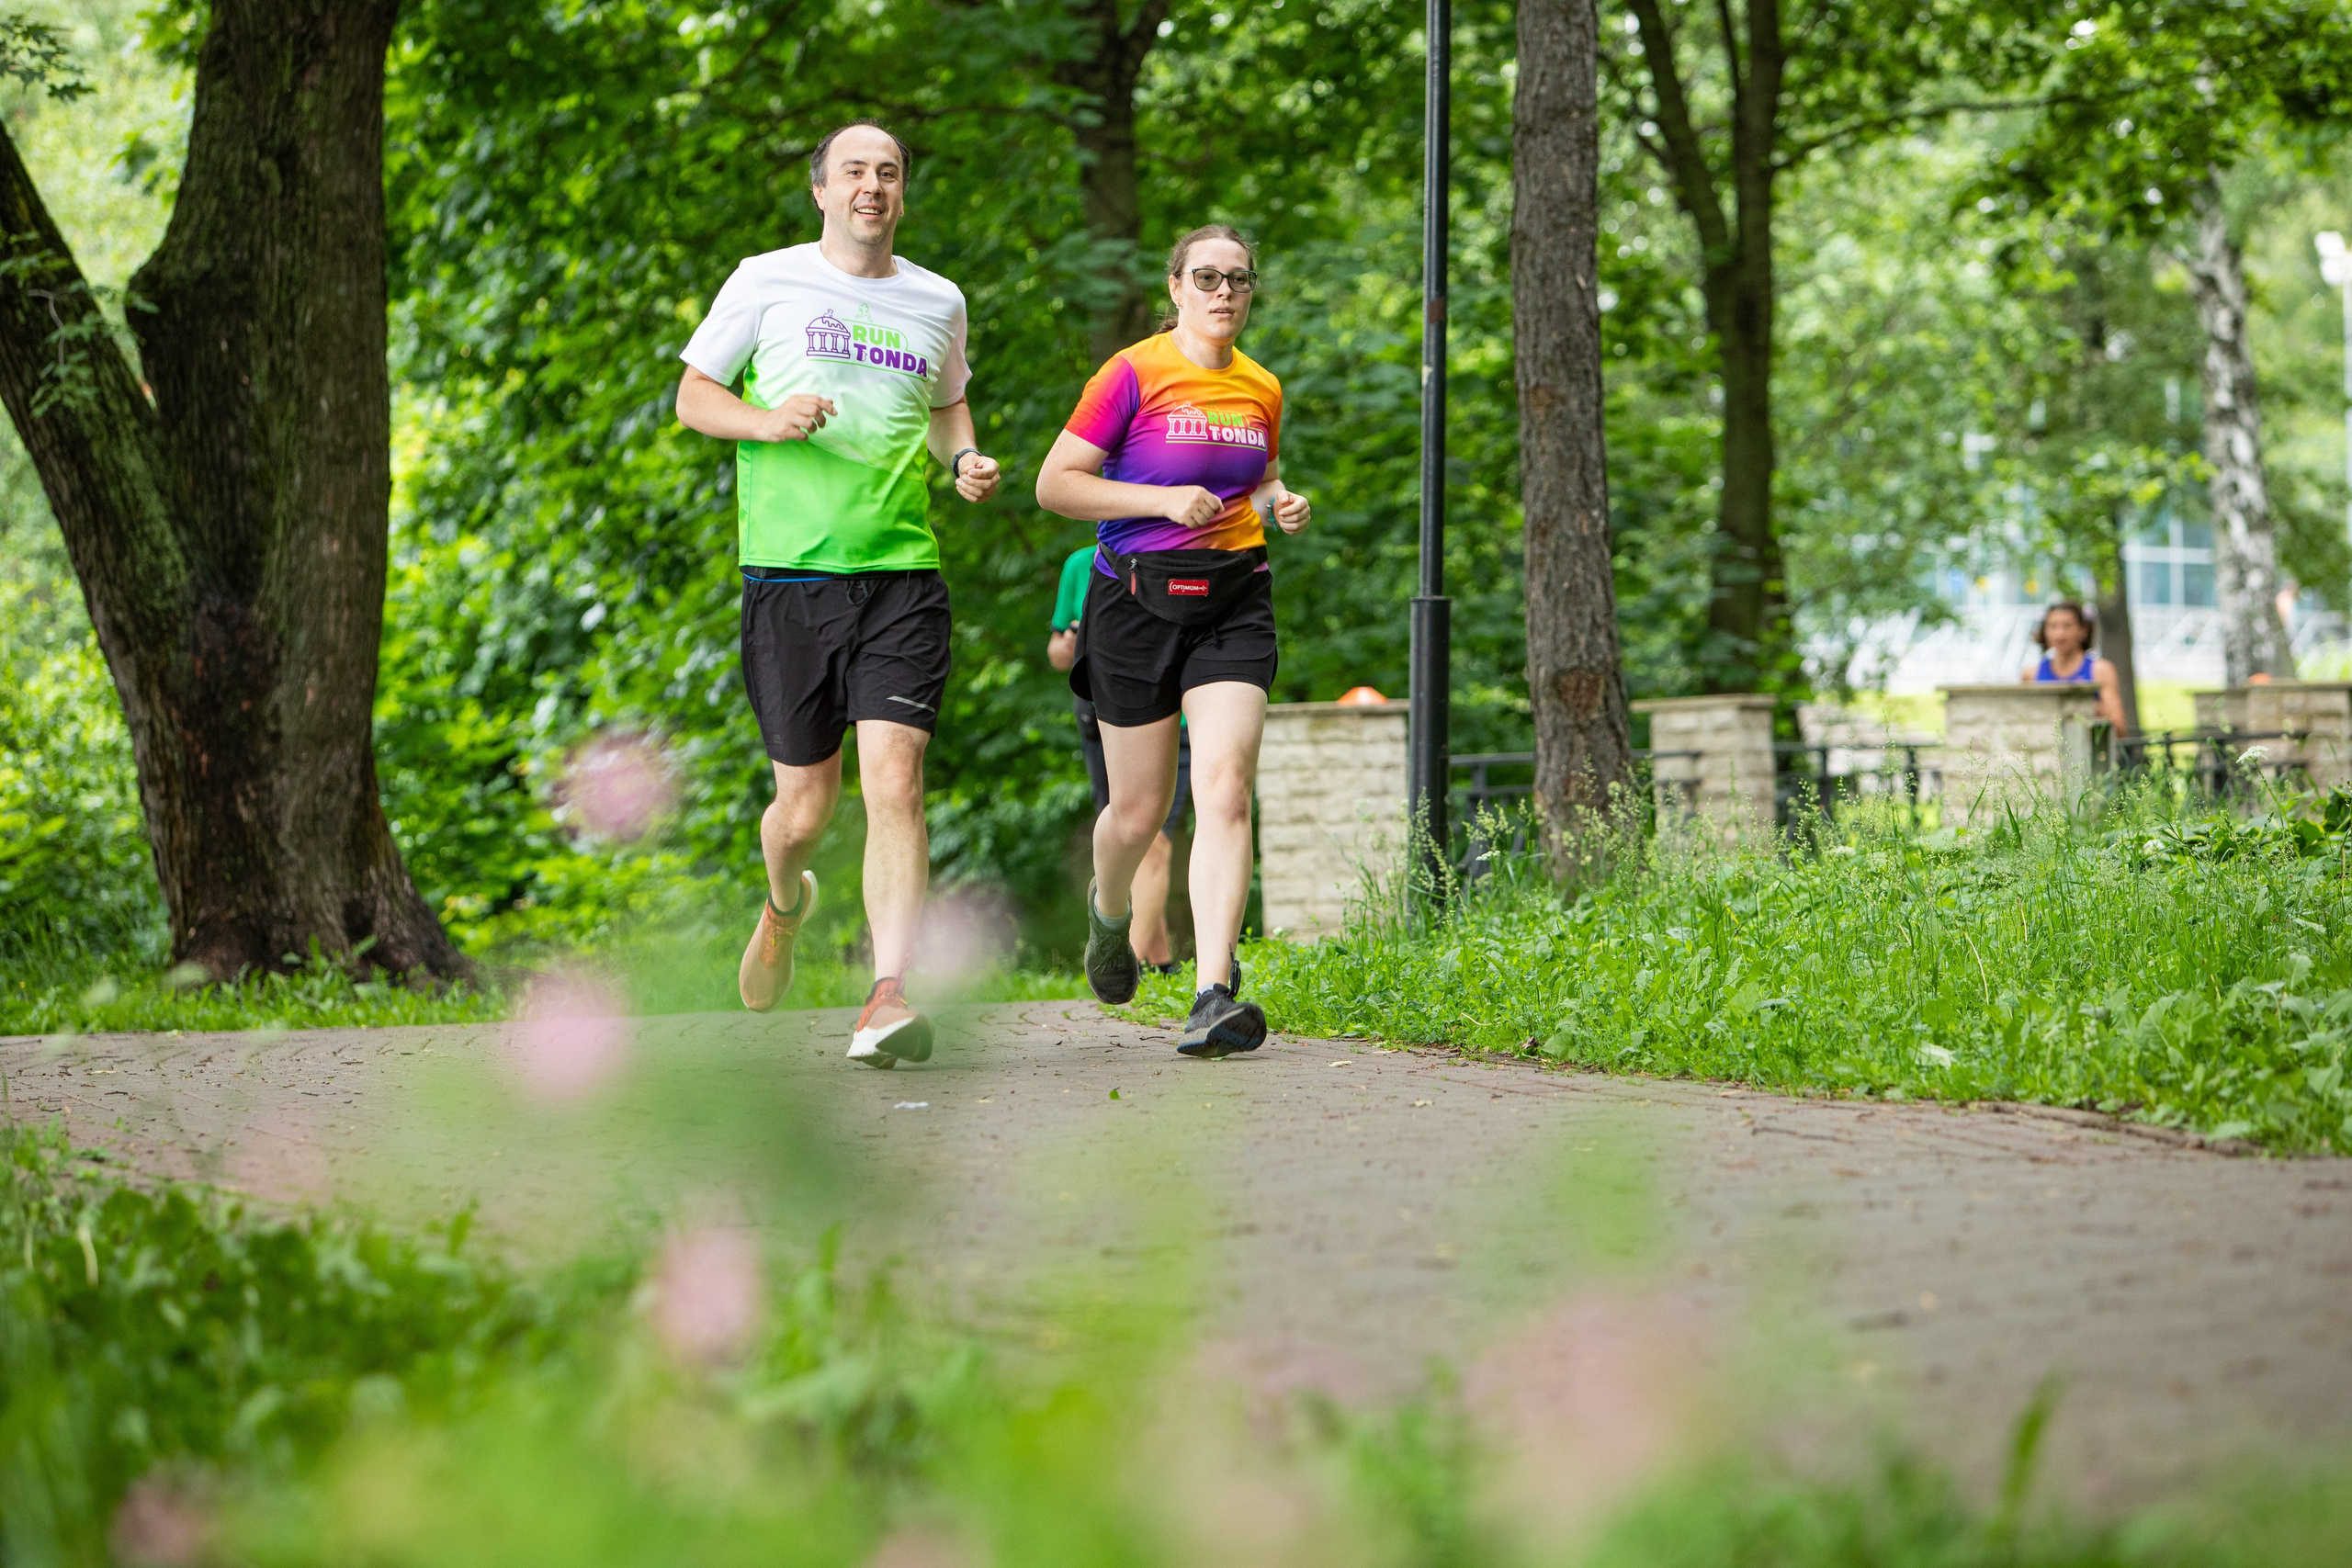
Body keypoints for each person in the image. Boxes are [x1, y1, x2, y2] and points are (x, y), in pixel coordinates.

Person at [676, 121, 1000, 1068]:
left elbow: (946, 408)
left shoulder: (938, 300)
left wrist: (967, 457)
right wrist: (769, 422)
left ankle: (888, 996)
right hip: (788, 576)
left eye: (888, 173)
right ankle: (784, 902)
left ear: (902, 194)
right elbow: (696, 397)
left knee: (895, 781)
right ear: (821, 190)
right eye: (854, 171)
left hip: (900, 575)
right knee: (805, 814)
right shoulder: (765, 278)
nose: (872, 186)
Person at [1037, 224, 1310, 1058]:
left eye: (1239, 279)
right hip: (1133, 604)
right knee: (1136, 812)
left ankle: (1213, 990)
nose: (1224, 292)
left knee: (1225, 787)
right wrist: (1159, 503)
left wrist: (1279, 502)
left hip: (1234, 600)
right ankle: (1109, 914)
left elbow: (1257, 480)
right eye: (1208, 277)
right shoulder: (1133, 371)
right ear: (1176, 287)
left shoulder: (1261, 386)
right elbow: (1057, 486)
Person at [1049, 545, 1188, 974]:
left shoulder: (1179, 553)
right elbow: (1056, 653)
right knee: (1129, 836)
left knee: (1157, 841)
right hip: (1102, 714)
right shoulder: (1079, 563)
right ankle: (1162, 962)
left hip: (1175, 718)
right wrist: (1073, 638)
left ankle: (1133, 964)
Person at [2019, 600, 2127, 732]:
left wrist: (2086, 706)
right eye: (2052, 626)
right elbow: (2023, 724)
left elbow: (2120, 728)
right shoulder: (2031, 674)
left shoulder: (2101, 670)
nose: (2059, 634)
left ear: (2083, 630)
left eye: (2067, 626)